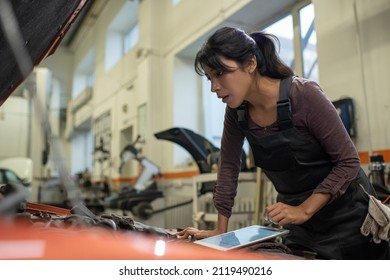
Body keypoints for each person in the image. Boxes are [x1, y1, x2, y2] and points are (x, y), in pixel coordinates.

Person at [176, 26, 389, 259]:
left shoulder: (304, 95)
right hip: (300, 226)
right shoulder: (236, 113)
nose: (213, 87)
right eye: (209, 78)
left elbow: (348, 162)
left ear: (250, 64)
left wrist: (304, 210)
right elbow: (228, 169)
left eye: (219, 74)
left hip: (348, 219)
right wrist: (220, 232)